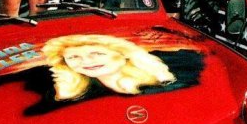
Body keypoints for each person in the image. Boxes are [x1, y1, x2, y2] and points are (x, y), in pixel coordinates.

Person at [42, 34, 175, 99]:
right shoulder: (65, 91)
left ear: (124, 54)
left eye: (97, 53)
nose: (86, 61)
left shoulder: (163, 81)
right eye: (73, 57)